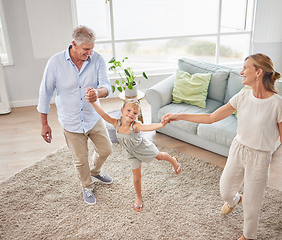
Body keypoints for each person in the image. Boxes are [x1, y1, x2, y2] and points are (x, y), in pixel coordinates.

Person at [162, 53, 282, 240]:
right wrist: (178, 115)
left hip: (260, 158)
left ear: (259, 72)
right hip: (238, 150)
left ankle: (248, 236)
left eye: (246, 68)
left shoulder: (278, 104)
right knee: (226, 190)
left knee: (252, 205)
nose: (241, 71)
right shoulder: (242, 96)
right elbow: (211, 118)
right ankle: (235, 199)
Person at [37, 26, 114, 205]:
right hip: (70, 120)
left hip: (93, 116)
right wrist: (44, 124)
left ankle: (95, 171)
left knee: (106, 149)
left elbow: (106, 86)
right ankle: (87, 186)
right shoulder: (55, 62)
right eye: (86, 49)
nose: (90, 52)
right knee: (80, 160)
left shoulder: (97, 59)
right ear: (74, 44)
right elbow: (45, 93)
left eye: (92, 48)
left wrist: (97, 92)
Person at [88, 96, 181, 212]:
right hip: (130, 153)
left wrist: (161, 125)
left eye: (135, 112)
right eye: (128, 110)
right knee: (137, 178)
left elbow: (147, 127)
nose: (131, 114)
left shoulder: (135, 126)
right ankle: (139, 197)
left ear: (137, 116)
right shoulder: (116, 123)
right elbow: (103, 114)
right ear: (122, 111)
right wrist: (93, 103)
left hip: (143, 148)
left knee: (160, 156)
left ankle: (173, 161)